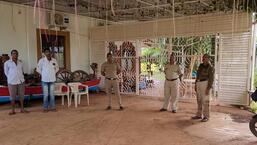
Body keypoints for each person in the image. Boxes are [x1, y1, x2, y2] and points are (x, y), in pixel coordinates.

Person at [4, 50, 29, 115]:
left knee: (21, 96)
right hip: (12, 82)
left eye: (16, 54)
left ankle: (22, 109)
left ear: (18, 55)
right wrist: (11, 78)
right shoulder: (7, 63)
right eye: (13, 54)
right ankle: (13, 110)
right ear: (11, 55)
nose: (15, 55)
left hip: (21, 81)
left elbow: (23, 71)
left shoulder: (20, 62)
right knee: (12, 97)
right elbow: (6, 73)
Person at [192, 54, 214, 122]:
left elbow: (211, 79)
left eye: (205, 58)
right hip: (199, 83)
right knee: (199, 100)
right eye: (203, 58)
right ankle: (199, 115)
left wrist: (208, 88)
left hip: (205, 83)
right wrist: (196, 84)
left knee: (205, 101)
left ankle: (206, 116)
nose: (203, 59)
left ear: (208, 59)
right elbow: (197, 75)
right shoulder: (201, 66)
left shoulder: (210, 67)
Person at [37, 48, 59, 112]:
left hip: (52, 79)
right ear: (44, 53)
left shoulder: (54, 60)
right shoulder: (41, 61)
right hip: (44, 80)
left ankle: (53, 107)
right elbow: (38, 69)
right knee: (46, 95)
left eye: (48, 52)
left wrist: (53, 73)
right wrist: (43, 74)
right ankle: (45, 108)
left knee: (52, 94)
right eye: (46, 52)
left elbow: (57, 68)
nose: (48, 53)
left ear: (50, 53)